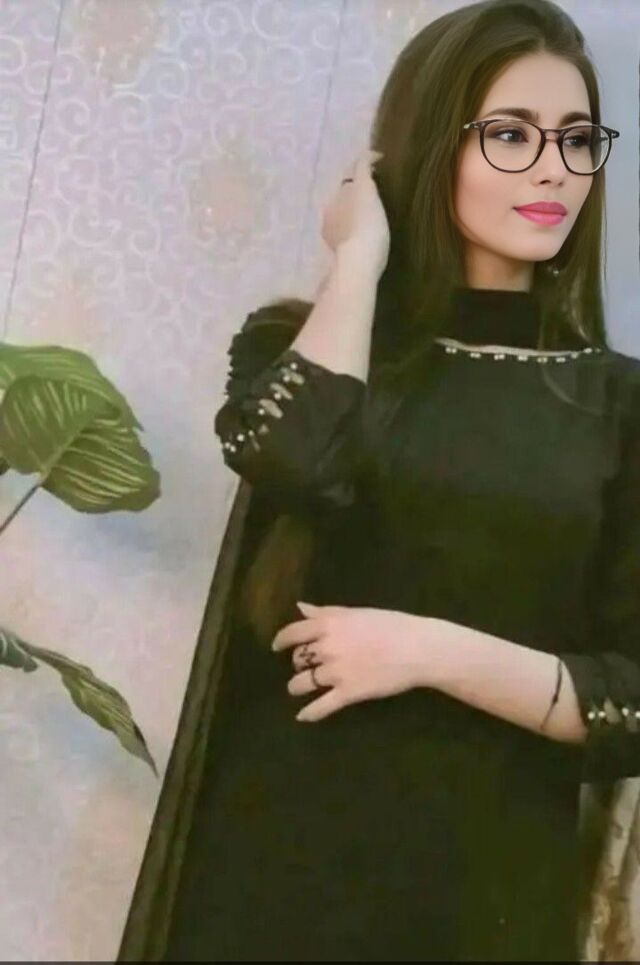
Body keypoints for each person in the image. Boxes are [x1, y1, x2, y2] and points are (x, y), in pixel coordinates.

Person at [162, 0, 638, 960]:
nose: (555, 167)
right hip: (277, 855)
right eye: (511, 134)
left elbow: (630, 703)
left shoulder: (618, 405)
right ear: (429, 150)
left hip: (486, 881)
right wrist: (359, 260)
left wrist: (425, 649)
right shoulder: (300, 345)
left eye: (578, 139)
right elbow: (290, 459)